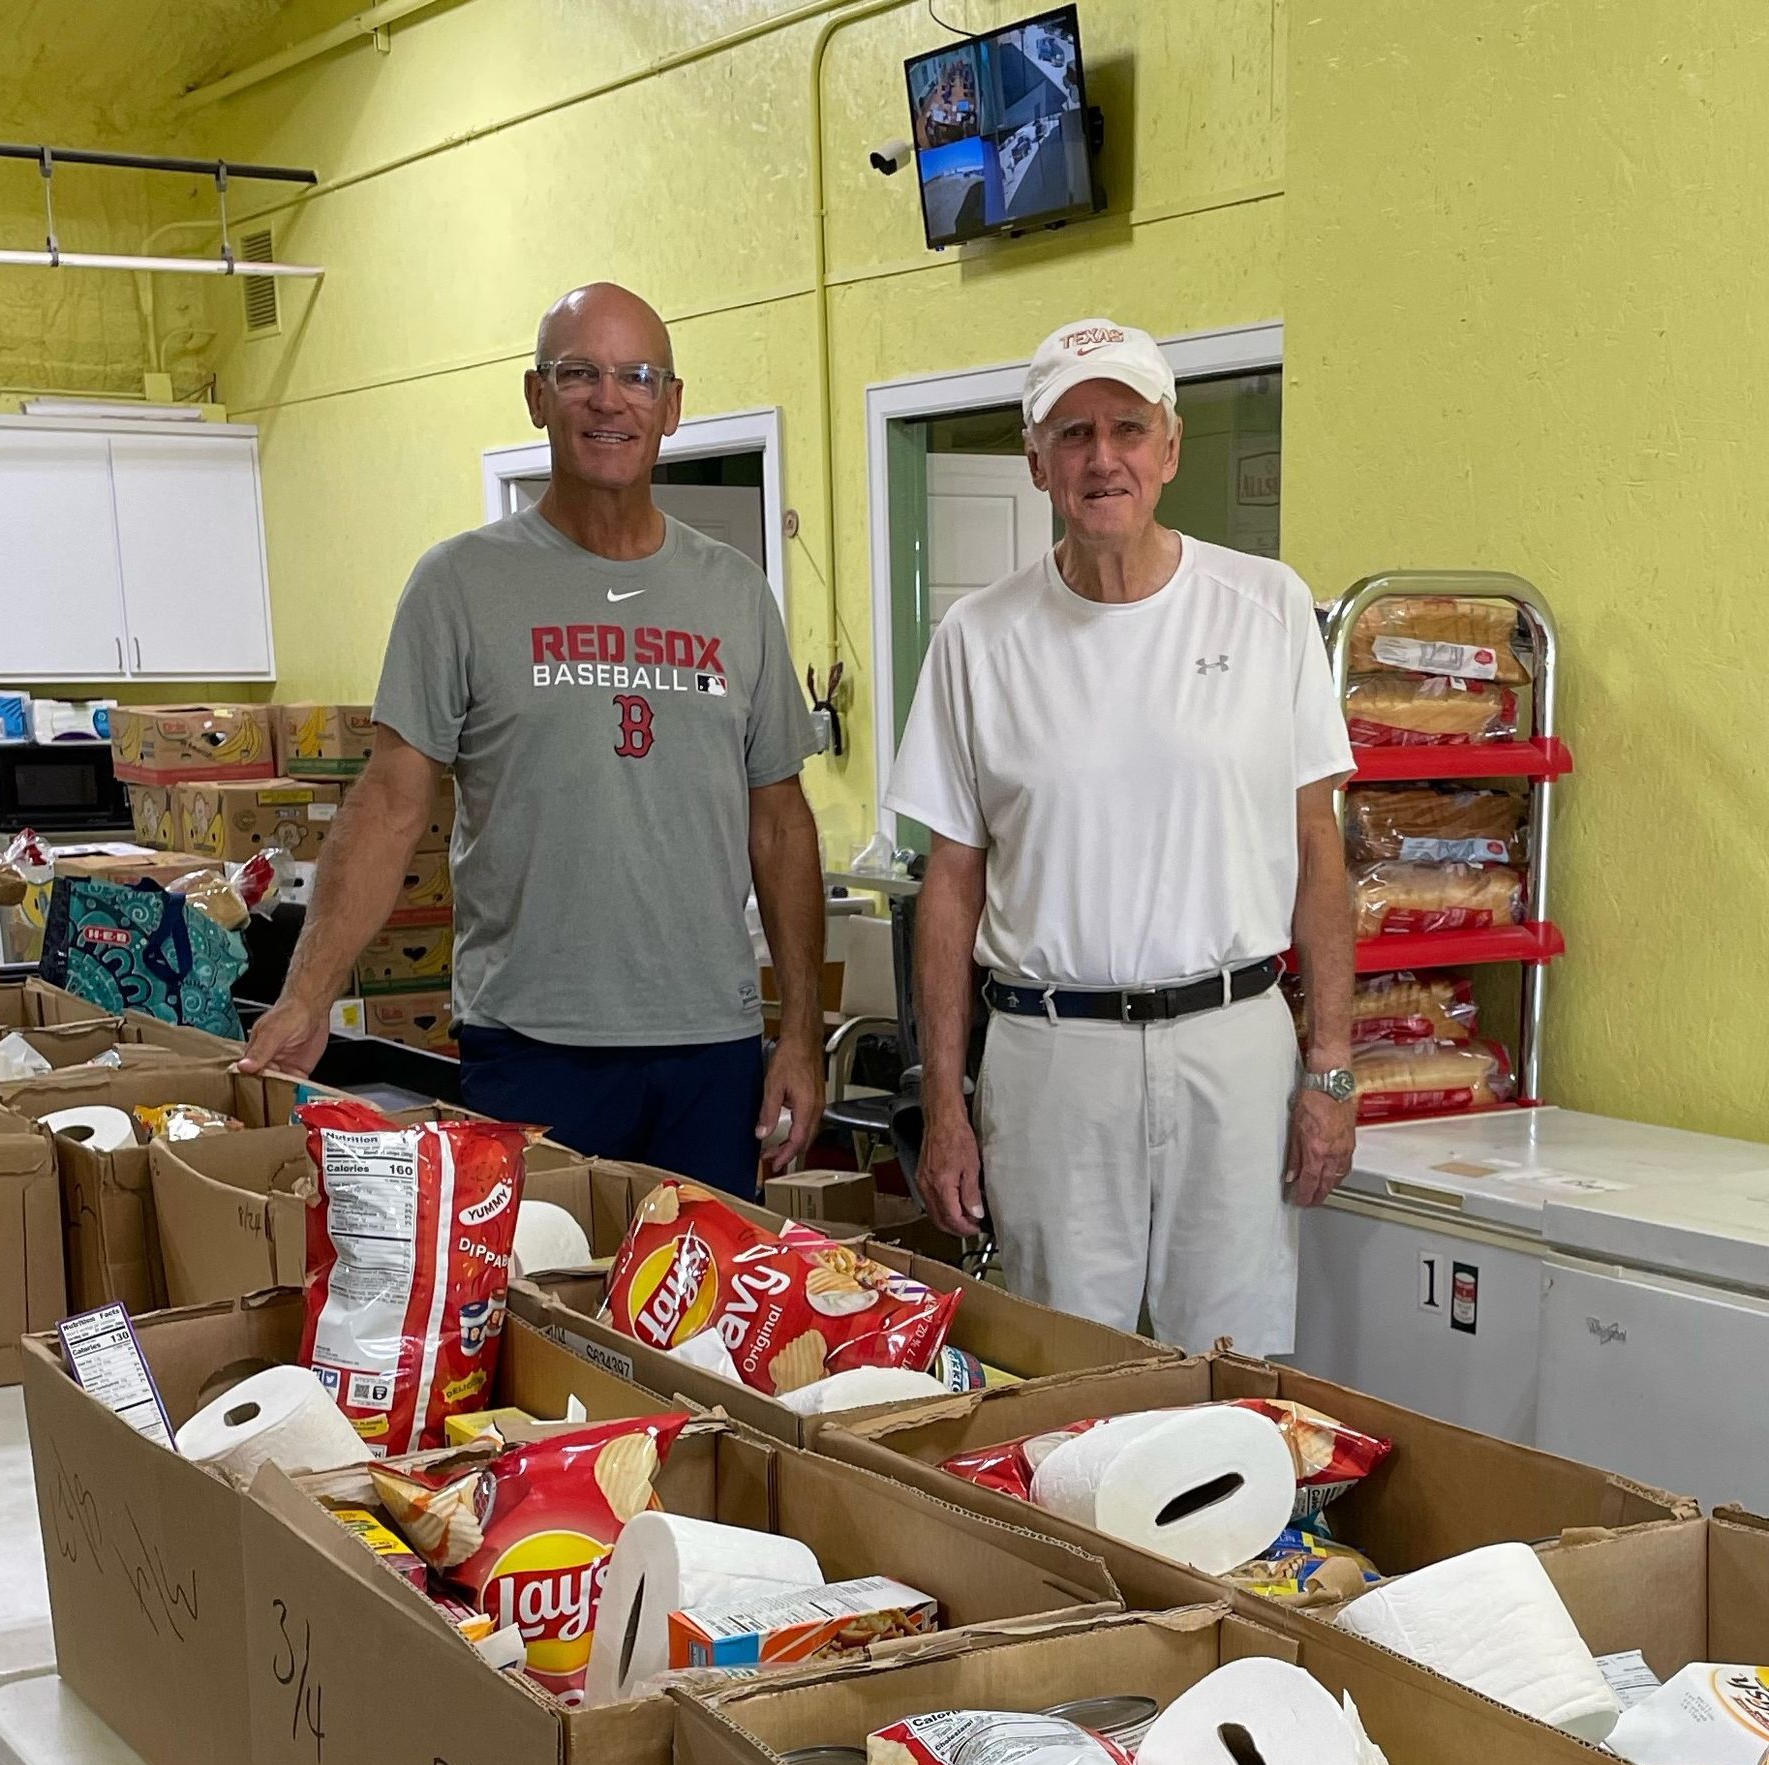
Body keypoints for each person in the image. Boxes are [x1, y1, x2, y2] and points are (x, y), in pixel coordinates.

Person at [242, 281, 825, 1197]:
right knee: (530, 1315)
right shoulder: (460, 586)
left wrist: (799, 1032)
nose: (608, 398)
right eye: (578, 373)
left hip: (709, 1051)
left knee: (702, 1332)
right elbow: (393, 802)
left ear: (672, 406)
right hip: (531, 1046)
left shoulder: (736, 594)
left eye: (636, 376)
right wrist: (308, 994)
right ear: (535, 396)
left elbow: (781, 824)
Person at [889, 316, 1357, 1355]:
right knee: (1062, 1368)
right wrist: (946, 1104)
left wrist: (1329, 1067)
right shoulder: (979, 639)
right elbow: (950, 885)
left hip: (1233, 1047)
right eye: (1073, 433)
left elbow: (1319, 850)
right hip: (1053, 1060)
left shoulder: (1266, 607)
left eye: (1128, 428)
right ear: (1036, 462)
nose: (1104, 457)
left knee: (1232, 1374)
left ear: (1171, 449)